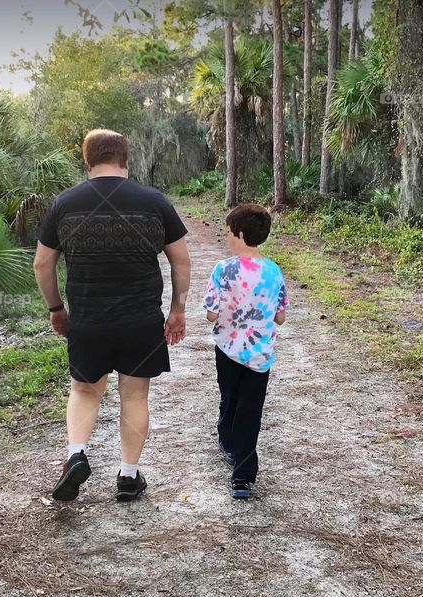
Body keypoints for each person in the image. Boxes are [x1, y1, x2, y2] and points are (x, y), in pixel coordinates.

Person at [33, 129, 191, 502]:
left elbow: (42, 264)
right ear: (126, 160)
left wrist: (57, 309)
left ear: (86, 162)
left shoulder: (65, 204)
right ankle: (128, 476)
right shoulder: (154, 202)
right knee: (134, 397)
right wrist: (177, 309)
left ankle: (75, 455)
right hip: (141, 322)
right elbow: (181, 260)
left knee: (85, 391)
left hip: (87, 321)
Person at [203, 204, 288, 499]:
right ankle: (243, 476)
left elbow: (211, 315)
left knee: (229, 398)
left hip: (227, 350)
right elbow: (280, 317)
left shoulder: (223, 270)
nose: (226, 237)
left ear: (239, 234)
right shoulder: (274, 272)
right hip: (260, 355)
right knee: (250, 410)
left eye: (228, 232)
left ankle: (226, 441)